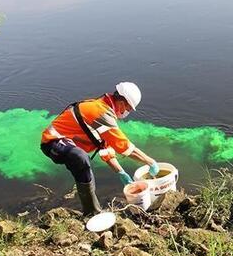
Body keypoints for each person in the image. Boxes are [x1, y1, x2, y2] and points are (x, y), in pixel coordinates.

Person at [40, 82, 159, 216]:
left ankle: (91, 210)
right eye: (128, 109)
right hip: (52, 143)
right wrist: (150, 161)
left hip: (65, 144)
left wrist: (121, 173)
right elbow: (124, 147)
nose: (127, 112)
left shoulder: (104, 109)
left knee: (81, 160)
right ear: (121, 102)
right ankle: (93, 212)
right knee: (81, 158)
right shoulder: (101, 112)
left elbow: (105, 148)